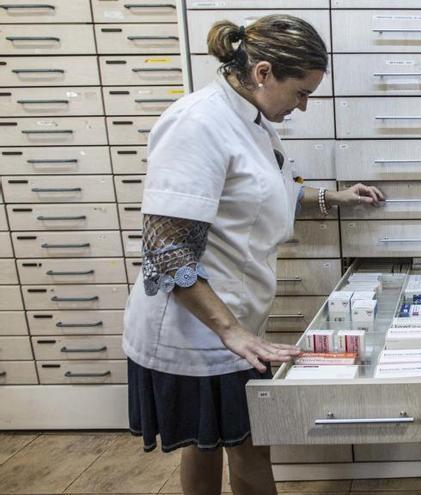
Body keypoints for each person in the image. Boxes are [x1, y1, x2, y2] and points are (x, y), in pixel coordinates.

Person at [122, 15, 383, 495]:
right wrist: (231, 331)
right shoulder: (197, 123)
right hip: (198, 329)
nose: (304, 105)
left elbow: (265, 192)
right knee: (247, 445)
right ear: (263, 73)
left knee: (206, 444)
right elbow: (165, 249)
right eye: (301, 92)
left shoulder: (253, 120)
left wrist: (334, 198)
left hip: (231, 319)